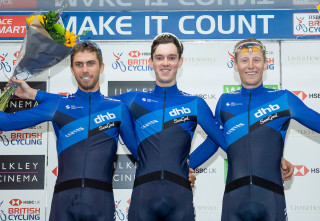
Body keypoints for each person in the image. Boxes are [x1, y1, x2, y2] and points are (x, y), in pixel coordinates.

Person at [0, 41, 139, 221]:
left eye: (91, 63)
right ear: (72, 69)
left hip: (100, 202)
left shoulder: (118, 108)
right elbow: (8, 122)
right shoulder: (58, 104)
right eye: (79, 64)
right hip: (63, 203)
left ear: (101, 67)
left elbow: (140, 153)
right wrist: (21, 93)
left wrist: (182, 170)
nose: (85, 70)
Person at [190, 38, 320, 221]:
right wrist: (181, 168)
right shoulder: (224, 102)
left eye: (256, 60)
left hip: (271, 198)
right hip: (233, 199)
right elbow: (213, 144)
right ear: (235, 65)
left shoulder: (284, 99)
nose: (250, 66)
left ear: (266, 64)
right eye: (244, 61)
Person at [113, 33, 225, 221]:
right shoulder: (133, 99)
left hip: (179, 196)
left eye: (171, 58)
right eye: (159, 58)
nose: (165, 63)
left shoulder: (195, 103)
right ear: (150, 62)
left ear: (180, 62)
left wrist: (187, 165)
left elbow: (217, 140)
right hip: (143, 196)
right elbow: (91, 107)